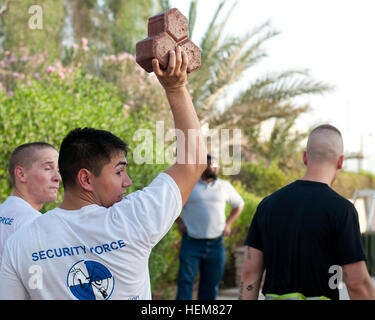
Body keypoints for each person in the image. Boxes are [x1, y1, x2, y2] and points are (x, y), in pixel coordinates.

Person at [0, 47, 207, 300]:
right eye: (119, 172)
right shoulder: (133, 219)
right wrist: (176, 88)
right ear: (86, 179)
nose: (128, 182)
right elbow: (193, 162)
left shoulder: (21, 243)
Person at [240, 124, 375, 300]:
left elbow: (249, 274)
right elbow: (358, 284)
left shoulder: (267, 205)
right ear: (340, 162)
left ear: (305, 157)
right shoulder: (342, 210)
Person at [176, 154, 244, 300]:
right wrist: (180, 222)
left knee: (211, 285)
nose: (214, 167)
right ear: (202, 166)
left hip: (216, 244)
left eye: (216, 165)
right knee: (185, 283)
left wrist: (228, 223)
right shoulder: (189, 185)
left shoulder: (225, 186)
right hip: (191, 243)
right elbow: (172, 204)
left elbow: (239, 204)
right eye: (211, 165)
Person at [0, 142, 61, 264]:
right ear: (21, 174)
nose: (57, 177)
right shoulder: (35, 225)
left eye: (58, 170)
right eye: (48, 168)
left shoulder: (3, 211)